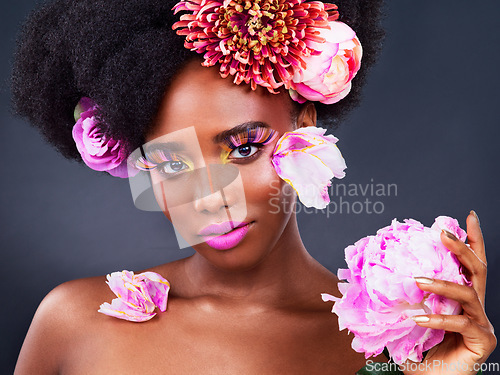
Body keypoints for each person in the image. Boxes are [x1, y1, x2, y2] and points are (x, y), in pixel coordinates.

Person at [10, 0, 496, 373]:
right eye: (171, 164)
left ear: (306, 126)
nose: (208, 195)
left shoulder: (386, 348)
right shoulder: (74, 320)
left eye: (243, 148)